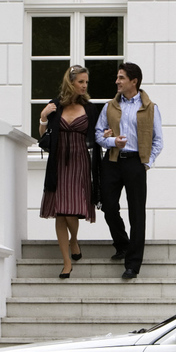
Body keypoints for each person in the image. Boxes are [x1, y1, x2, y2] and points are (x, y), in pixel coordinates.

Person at [94, 62, 163, 280]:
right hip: (112, 162)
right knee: (108, 205)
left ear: (134, 81)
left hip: (135, 163)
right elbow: (98, 135)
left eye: (121, 77)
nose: (117, 81)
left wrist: (147, 162)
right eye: (117, 77)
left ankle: (133, 264)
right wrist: (113, 140)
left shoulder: (151, 108)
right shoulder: (109, 107)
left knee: (137, 213)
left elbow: (158, 141)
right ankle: (122, 243)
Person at [37, 65, 102, 279]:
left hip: (80, 162)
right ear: (70, 82)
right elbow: (43, 136)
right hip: (58, 162)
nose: (84, 86)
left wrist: (107, 134)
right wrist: (44, 117)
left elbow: (97, 135)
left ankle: (74, 239)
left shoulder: (91, 109)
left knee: (71, 210)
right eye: (81, 82)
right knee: (60, 212)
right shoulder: (56, 105)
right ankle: (67, 262)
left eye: (86, 82)